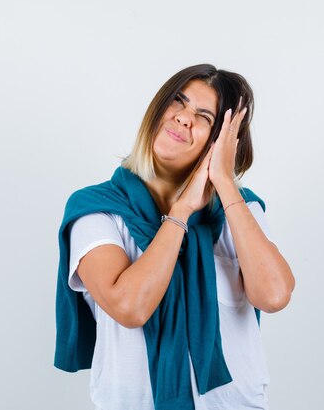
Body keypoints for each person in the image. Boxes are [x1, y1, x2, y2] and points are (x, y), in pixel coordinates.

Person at [54, 64, 295, 410]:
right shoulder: (97, 209)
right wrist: (181, 211)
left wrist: (225, 184)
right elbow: (130, 306)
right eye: (178, 102)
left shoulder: (238, 212)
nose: (184, 118)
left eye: (204, 117)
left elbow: (273, 295)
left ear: (220, 143)